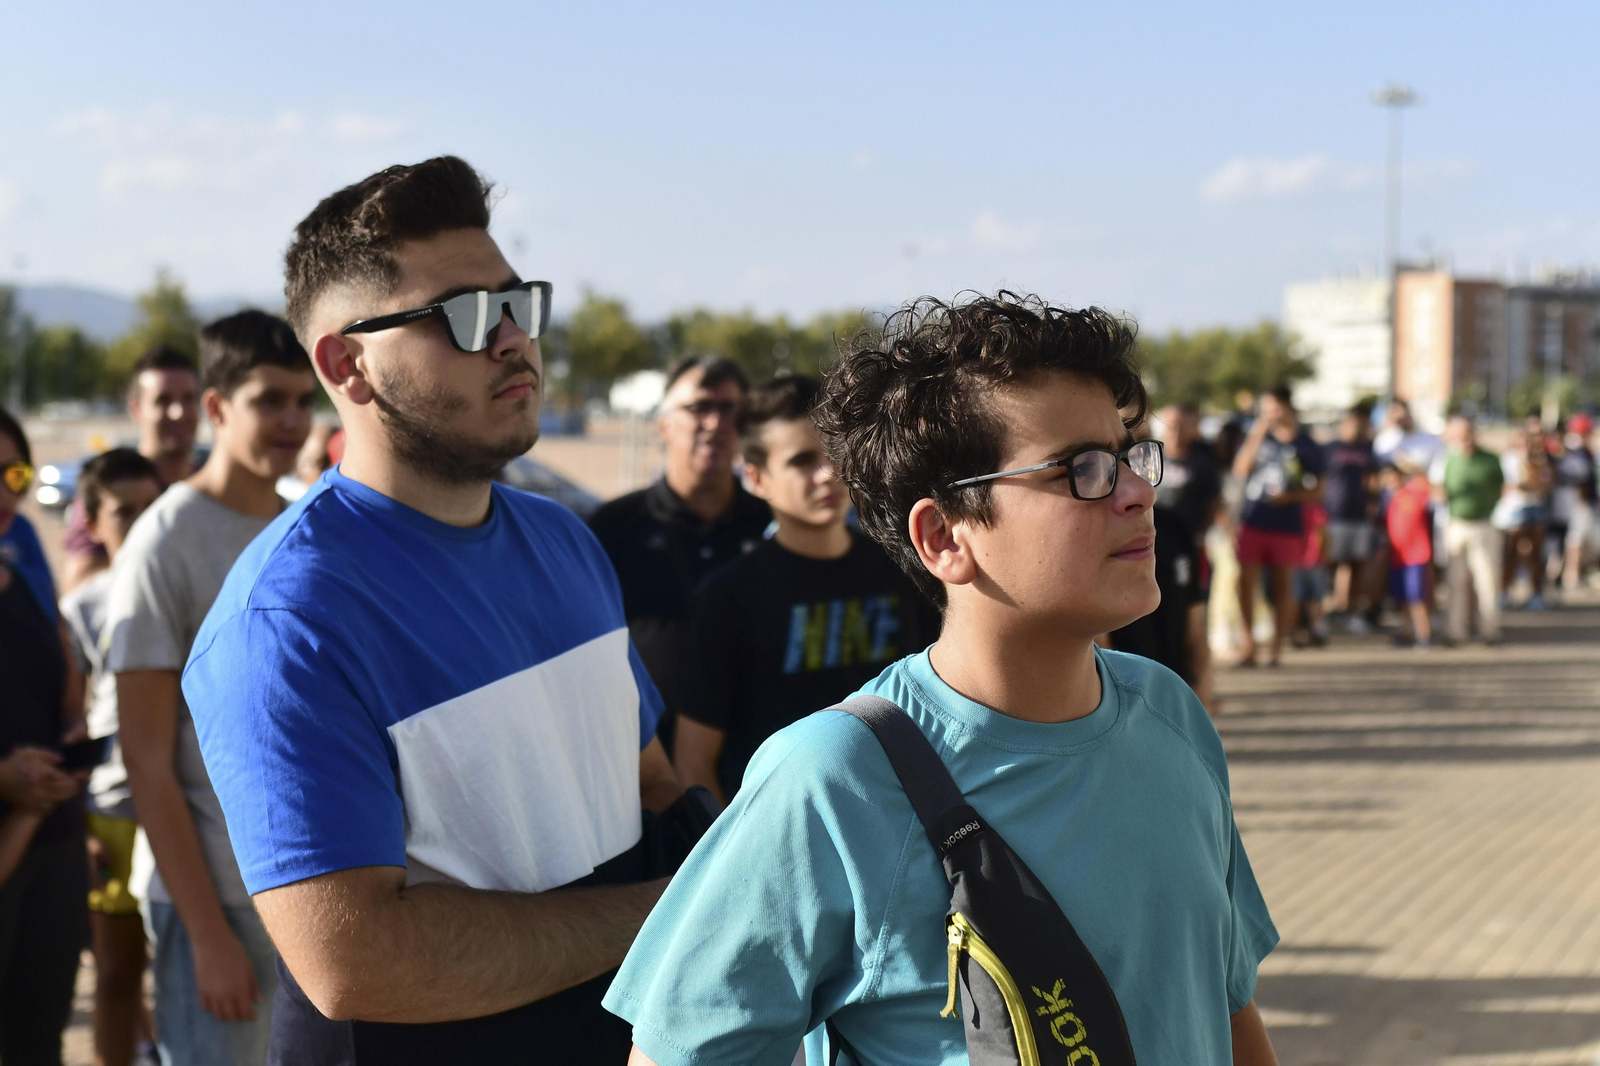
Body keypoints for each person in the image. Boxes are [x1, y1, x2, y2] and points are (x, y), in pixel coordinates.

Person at [604, 293, 1279, 1065]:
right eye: (1081, 470)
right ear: (943, 536)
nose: (1135, 491)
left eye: (1131, 455)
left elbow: (1227, 1012)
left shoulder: (1171, 715)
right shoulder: (833, 778)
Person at [182, 156, 686, 1066]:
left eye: (517, 302)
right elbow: (354, 962)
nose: (512, 340)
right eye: (463, 316)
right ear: (348, 365)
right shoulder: (285, 622)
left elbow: (650, 783)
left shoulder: (563, 539)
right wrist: (685, 910)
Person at [108, 312, 318, 1065]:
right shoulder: (164, 540)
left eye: (305, 399)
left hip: (313, 892)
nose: (294, 420)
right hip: (216, 904)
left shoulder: (305, 530)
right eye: (271, 400)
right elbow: (147, 760)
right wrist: (207, 936)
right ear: (219, 408)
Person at [674, 376, 939, 803]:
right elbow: (693, 762)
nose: (828, 473)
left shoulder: (906, 565)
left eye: (835, 454)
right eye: (802, 460)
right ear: (756, 479)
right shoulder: (728, 597)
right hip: (782, 839)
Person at [589, 356, 772, 754]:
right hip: (638, 761)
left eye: (728, 409)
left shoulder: (772, 526)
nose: (714, 423)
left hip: (755, 763)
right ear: (664, 425)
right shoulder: (612, 528)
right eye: (698, 408)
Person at [59, 449, 164, 1066]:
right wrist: (77, 827)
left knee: (194, 975)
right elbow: (67, 724)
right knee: (119, 979)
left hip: (188, 809)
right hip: (112, 817)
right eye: (126, 513)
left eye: (154, 508)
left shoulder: (199, 591)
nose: (143, 524)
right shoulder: (81, 608)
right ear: (93, 524)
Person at [0, 406, 91, 1066]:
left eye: (15, 472)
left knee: (39, 1038)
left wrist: (76, 731)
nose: (6, 492)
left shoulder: (25, 554)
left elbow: (61, 677)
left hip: (51, 838)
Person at [60, 347, 201, 592]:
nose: (178, 412)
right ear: (136, 409)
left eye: (188, 399)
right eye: (163, 400)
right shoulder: (109, 484)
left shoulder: (213, 486)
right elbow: (75, 588)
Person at [1232, 385, 1324, 666]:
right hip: (1253, 520)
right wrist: (1258, 431)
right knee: (1245, 583)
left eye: (1274, 407)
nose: (1269, 413)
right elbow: (1240, 470)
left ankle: (1275, 648)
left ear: (1287, 406)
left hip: (1287, 523)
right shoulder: (1258, 436)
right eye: (1265, 407)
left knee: (1284, 586)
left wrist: (1290, 497)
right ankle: (1248, 645)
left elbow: (1319, 492)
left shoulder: (1306, 444)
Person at [1438, 414, 1503, 645]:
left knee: (1487, 581)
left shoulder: (1490, 460)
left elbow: (1500, 488)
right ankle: (1456, 631)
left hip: (1484, 524)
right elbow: (1442, 490)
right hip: (1457, 525)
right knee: (1456, 583)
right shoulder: (1450, 460)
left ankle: (1489, 629)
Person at [1321, 407, 1377, 631]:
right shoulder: (1329, 449)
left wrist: (1373, 504)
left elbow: (1372, 479)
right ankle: (1325, 613)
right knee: (1328, 565)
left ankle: (1353, 612)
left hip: (1359, 516)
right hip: (1333, 516)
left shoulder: (1367, 450)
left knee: (1358, 565)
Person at [1493, 428, 1553, 610]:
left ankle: (1536, 594)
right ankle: (1504, 592)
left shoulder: (1540, 460)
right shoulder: (1506, 460)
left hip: (1536, 508)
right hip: (1514, 510)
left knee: (1536, 554)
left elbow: (1546, 483)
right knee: (1510, 553)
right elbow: (1504, 486)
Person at [1382, 462, 1435, 649]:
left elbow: (1426, 481)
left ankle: (1424, 635)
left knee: (1417, 598)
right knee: (1403, 599)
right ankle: (1407, 633)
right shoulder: (1390, 499)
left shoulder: (1414, 492)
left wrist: (1406, 462)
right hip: (1398, 557)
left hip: (1416, 556)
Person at [1548, 414, 1596, 594]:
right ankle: (1567, 578)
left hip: (1577, 504)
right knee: (1569, 543)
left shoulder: (1584, 452)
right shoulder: (1573, 452)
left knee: (1572, 542)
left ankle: (1569, 577)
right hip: (1567, 504)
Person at [1372, 398, 1443, 473]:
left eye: (1404, 414)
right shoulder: (1384, 440)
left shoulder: (1430, 439)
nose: (1402, 418)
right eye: (1396, 413)